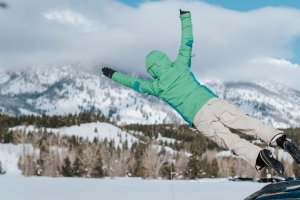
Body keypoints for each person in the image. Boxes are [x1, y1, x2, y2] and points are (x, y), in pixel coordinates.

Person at [102, 9, 300, 174]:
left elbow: (133, 83)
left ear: (152, 71)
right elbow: (187, 41)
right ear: (164, 59)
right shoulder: (180, 65)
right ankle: (281, 141)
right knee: (249, 124)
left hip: (201, 119)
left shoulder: (156, 87)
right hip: (213, 102)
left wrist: (112, 74)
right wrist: (185, 17)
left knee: (231, 140)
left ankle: (260, 156)